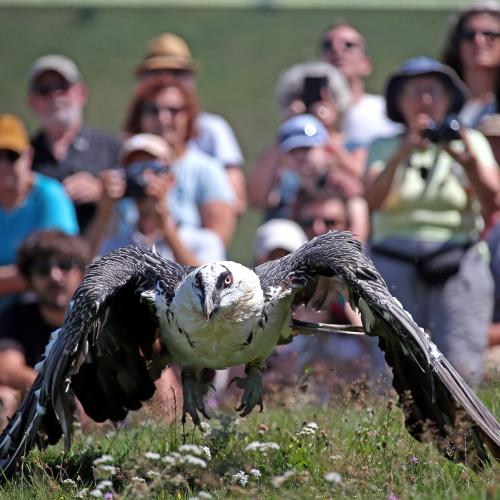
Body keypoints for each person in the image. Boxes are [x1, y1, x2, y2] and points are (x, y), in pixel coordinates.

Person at [365, 56, 499, 386]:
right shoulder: (383, 147)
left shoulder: (471, 143)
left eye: (433, 91)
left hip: (457, 263)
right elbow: (372, 201)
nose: (425, 100)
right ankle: (395, 434)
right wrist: (403, 151)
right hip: (394, 263)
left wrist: (467, 163)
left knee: (462, 361)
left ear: (449, 100)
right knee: (395, 363)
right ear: (399, 102)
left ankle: (462, 434)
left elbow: (493, 201)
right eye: (415, 92)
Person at [135, 33, 247, 215]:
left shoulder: (213, 130)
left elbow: (236, 201)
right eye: (156, 73)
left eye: (176, 73)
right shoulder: (135, 137)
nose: (166, 80)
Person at [122, 75, 236, 248]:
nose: (163, 118)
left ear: (189, 116)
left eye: (173, 110)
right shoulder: (124, 169)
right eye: (153, 110)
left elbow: (217, 247)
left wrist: (165, 226)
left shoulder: (207, 170)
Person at [88, 133, 225, 265]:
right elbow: (83, 273)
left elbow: (206, 285)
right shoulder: (115, 246)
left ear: (171, 180)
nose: (145, 177)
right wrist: (104, 211)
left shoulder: (203, 242)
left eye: (154, 169)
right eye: (135, 169)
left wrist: (166, 228)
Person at [0, 230, 90, 428]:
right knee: (4, 397)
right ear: (29, 279)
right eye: (42, 269)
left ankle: (160, 450)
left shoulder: (100, 315)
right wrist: (57, 391)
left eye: (65, 265)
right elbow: (7, 368)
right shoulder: (17, 317)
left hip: (102, 416)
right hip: (40, 417)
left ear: (82, 271)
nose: (54, 276)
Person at [27, 54, 121, 232]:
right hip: (43, 254)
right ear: (31, 101)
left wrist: (102, 192)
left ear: (81, 93)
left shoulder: (110, 147)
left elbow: (135, 201)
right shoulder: (20, 156)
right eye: (44, 90)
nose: (55, 96)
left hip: (104, 253)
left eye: (63, 87)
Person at [0, 114, 78, 313]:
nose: (3, 166)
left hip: (40, 313)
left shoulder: (50, 196)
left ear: (29, 156)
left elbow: (53, 269)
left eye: (11, 156)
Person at [249, 113, 369, 241]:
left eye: (307, 149)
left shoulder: (341, 183)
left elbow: (359, 231)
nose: (301, 157)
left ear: (326, 151)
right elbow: (257, 198)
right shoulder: (288, 185)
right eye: (294, 151)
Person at [320, 20, 401, 147]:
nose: (336, 50)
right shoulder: (308, 116)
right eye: (328, 45)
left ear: (366, 65)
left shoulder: (385, 111)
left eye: (349, 45)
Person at [441, 0, 500, 129]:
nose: (478, 41)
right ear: (457, 44)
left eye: (489, 34)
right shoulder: (439, 101)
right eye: (469, 35)